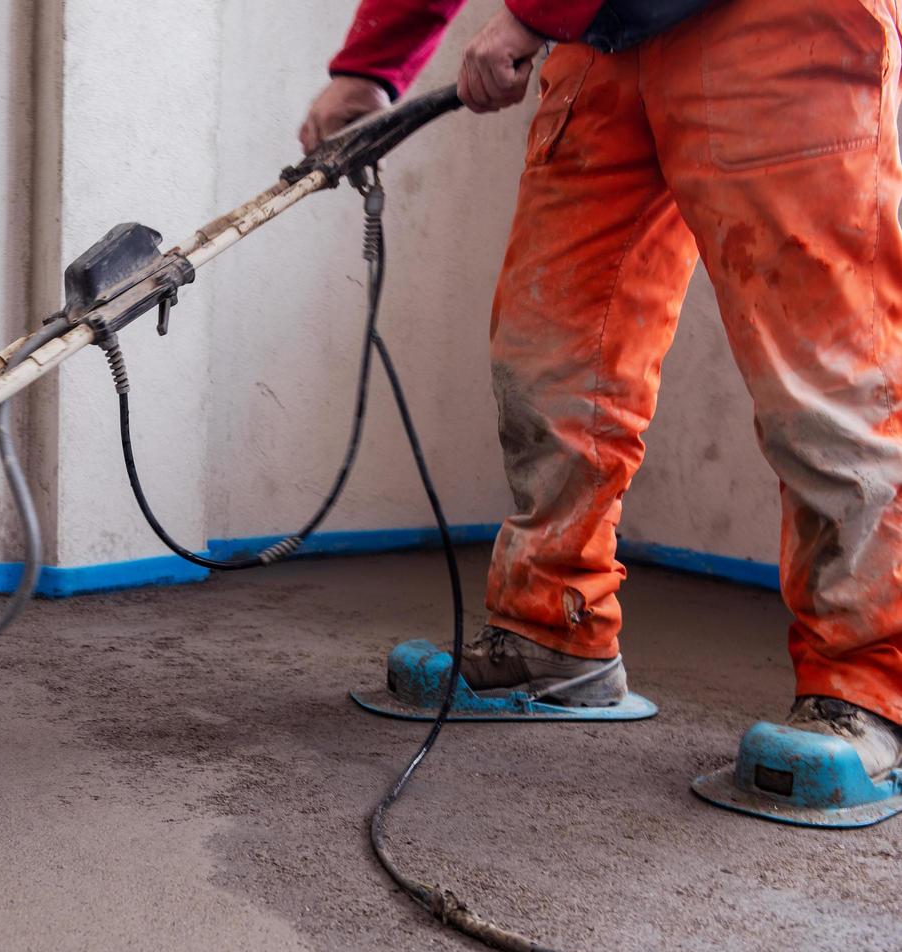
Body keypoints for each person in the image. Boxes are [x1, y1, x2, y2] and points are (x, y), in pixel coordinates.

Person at [301, 0, 902, 775]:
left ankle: (868, 690)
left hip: (774, 22)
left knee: (823, 384)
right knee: (549, 361)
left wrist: (531, 14)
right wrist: (369, 66)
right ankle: (550, 632)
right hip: (605, 38)